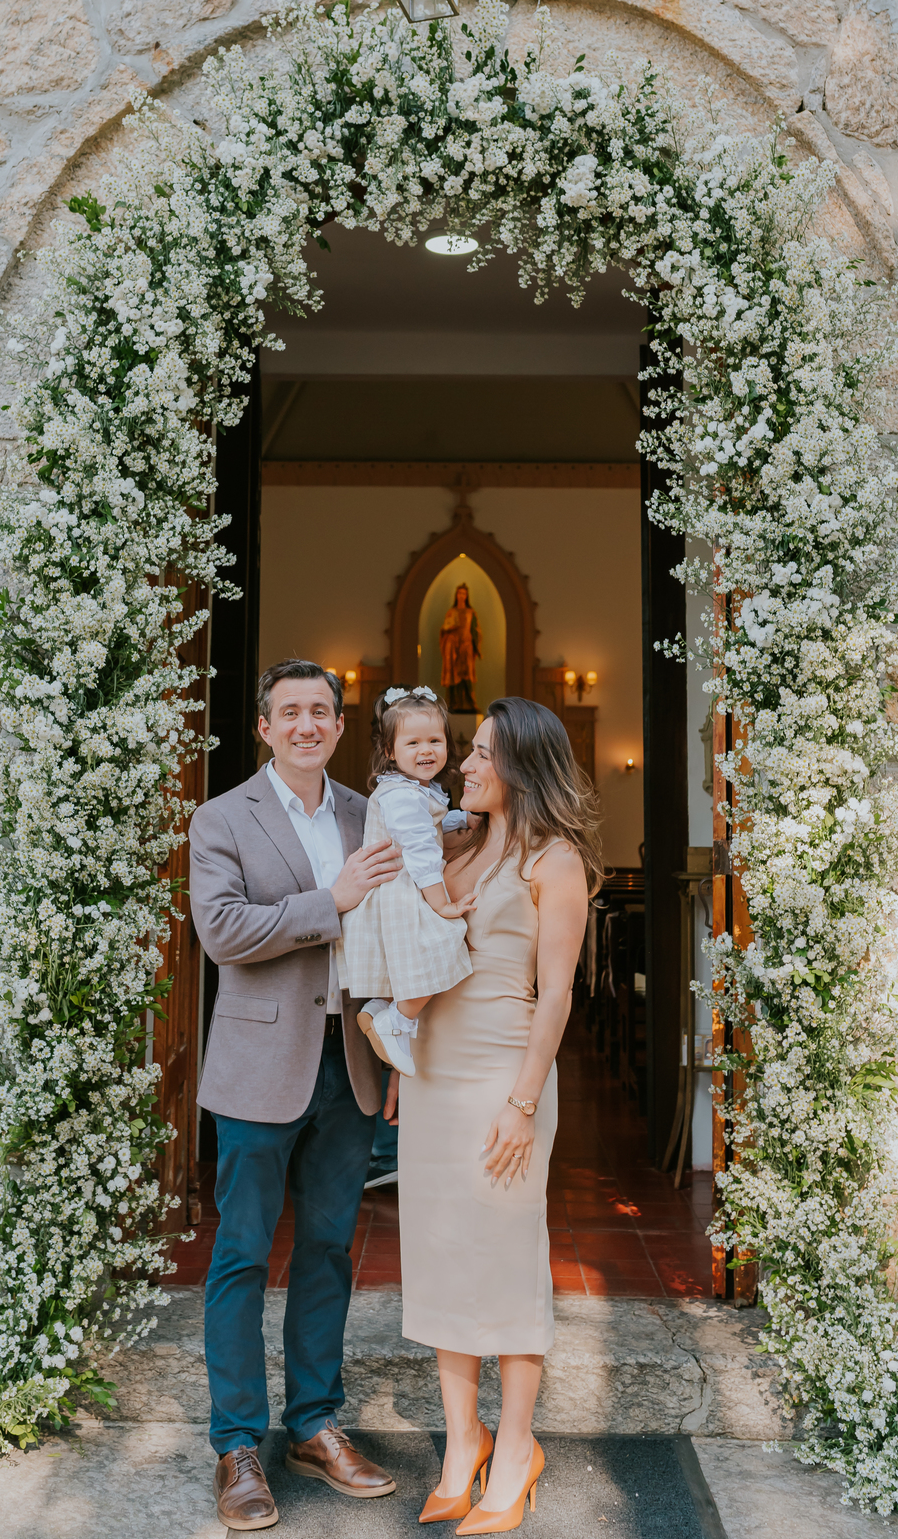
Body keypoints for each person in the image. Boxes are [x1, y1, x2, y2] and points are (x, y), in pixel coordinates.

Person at [188, 659, 405, 1532]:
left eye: (322, 710)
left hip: (349, 1066)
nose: (307, 724)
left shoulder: (368, 813)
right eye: (291, 712)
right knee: (241, 1254)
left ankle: (315, 1425)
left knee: (326, 1250)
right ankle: (237, 1444)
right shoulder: (220, 817)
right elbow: (222, 932)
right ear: (265, 728)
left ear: (341, 726)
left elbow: (395, 933)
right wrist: (330, 900)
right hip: (257, 1067)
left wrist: (396, 1055)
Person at [395, 697, 601, 1534]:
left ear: (521, 764)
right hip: (435, 1075)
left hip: (502, 1077)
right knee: (439, 1254)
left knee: (509, 1259)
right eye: (469, 750)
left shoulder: (556, 860)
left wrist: (523, 1104)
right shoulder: (460, 848)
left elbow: (557, 996)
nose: (465, 764)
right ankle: (461, 1445)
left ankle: (516, 1449)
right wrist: (404, 1061)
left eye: (482, 752)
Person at [340, 685, 476, 1078]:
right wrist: (441, 904)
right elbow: (421, 850)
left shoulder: (415, 789)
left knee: (419, 960)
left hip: (403, 889)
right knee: (446, 944)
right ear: (389, 750)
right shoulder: (401, 795)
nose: (426, 750)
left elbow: (430, 825)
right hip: (402, 891)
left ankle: (383, 1010)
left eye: (435, 740)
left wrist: (463, 819)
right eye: (412, 742)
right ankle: (396, 1019)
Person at [439, 583, 481, 713]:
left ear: (467, 596)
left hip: (466, 645)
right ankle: (453, 703)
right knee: (453, 675)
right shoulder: (451, 612)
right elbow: (444, 629)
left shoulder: (470, 613)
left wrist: (476, 646)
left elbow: (475, 630)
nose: (461, 596)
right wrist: (448, 631)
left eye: (463, 593)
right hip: (452, 646)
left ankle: (470, 703)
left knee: (466, 675)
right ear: (456, 595)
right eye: (459, 593)